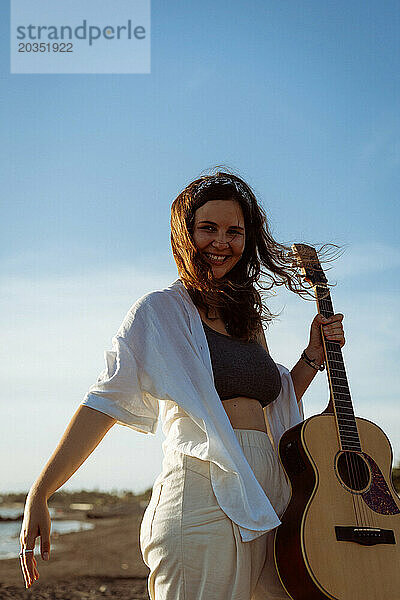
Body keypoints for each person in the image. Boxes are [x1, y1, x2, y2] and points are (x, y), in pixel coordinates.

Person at [19, 171, 345, 599]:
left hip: (270, 492)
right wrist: (42, 491)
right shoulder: (159, 312)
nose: (221, 242)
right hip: (199, 495)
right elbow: (103, 402)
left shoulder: (248, 322)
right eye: (208, 228)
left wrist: (313, 356)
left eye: (234, 231)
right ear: (185, 233)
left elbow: (273, 404)